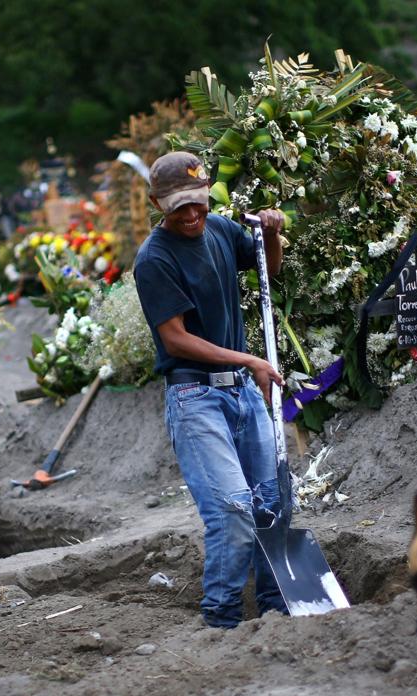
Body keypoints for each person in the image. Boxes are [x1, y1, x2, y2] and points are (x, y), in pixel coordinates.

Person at [132, 151, 287, 628]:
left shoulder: (219, 229)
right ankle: (220, 616)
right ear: (157, 203)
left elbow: (268, 269)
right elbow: (175, 338)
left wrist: (272, 235)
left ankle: (274, 606)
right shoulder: (154, 260)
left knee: (273, 503)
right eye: (179, 206)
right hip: (195, 398)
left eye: (198, 202)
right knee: (234, 512)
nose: (192, 214)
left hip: (240, 391)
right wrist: (249, 358)